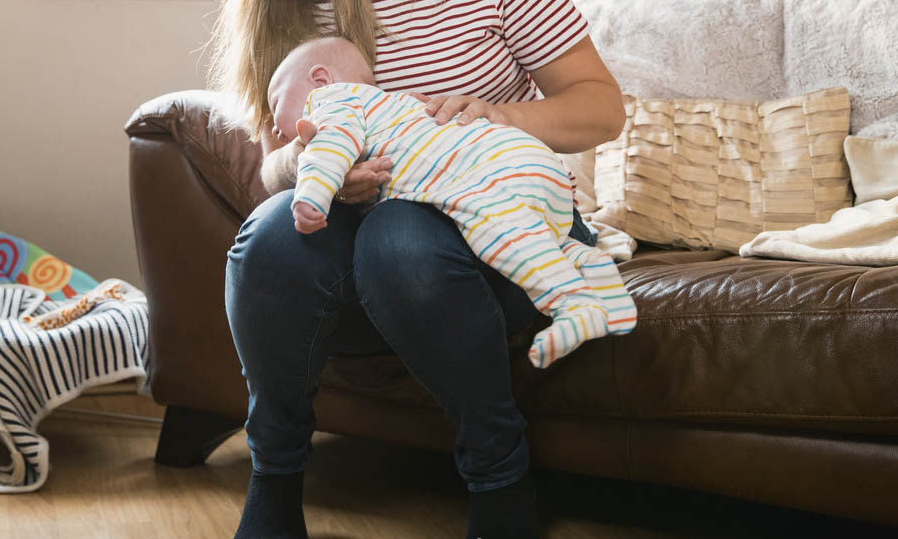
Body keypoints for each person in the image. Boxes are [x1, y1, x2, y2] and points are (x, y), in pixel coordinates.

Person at [193, 0, 625, 539]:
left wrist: (501, 114)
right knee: (268, 234)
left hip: (497, 240)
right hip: (354, 267)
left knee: (399, 233)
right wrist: (304, 163)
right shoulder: (277, 6)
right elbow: (271, 171)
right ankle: (274, 482)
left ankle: (500, 480)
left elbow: (601, 108)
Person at [268, 35, 637, 368]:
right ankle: (599, 278)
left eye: (277, 104)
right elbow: (276, 164)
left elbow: (330, 148)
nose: (272, 128)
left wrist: (313, 194)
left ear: (320, 79)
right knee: (543, 237)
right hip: (532, 162)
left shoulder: (331, 101)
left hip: (483, 179)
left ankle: (572, 306)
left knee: (501, 237)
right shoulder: (398, 105)